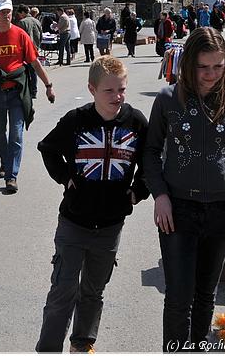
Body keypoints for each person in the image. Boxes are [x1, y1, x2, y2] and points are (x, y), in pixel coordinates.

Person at [144, 27, 225, 352]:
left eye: (218, 66)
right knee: (179, 296)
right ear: (188, 65)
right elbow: (150, 152)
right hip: (177, 213)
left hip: (221, 213)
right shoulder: (169, 99)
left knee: (205, 295)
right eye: (203, 67)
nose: (211, 74)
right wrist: (160, 196)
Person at [35, 56, 149, 354]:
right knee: (63, 290)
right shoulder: (76, 120)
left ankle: (81, 344)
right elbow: (47, 147)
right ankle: (48, 348)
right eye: (109, 91)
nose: (117, 97)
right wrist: (65, 178)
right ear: (92, 89)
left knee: (93, 292)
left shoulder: (136, 122)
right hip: (73, 222)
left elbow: (151, 162)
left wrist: (138, 193)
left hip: (110, 227)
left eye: (122, 89)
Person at [0, 0, 56, 193]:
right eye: (2, 12)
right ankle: (6, 161)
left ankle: (11, 176)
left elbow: (35, 63)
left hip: (16, 92)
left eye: (8, 11)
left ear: (12, 13)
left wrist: (48, 85)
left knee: (16, 135)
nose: (6, 15)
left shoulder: (21, 35)